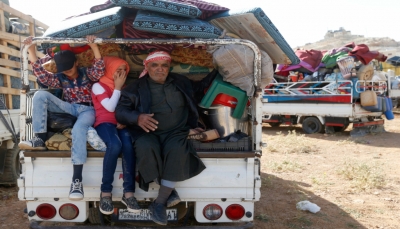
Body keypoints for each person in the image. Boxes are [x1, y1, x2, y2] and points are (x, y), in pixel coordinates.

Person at [115, 51, 217, 225]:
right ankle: (168, 189)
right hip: (148, 132)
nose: (160, 69)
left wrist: (219, 70)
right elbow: (120, 112)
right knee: (146, 148)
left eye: (164, 65)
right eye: (155, 65)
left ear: (169, 67)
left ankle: (159, 203)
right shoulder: (135, 88)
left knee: (178, 150)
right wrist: (137, 118)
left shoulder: (180, 82)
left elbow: (200, 87)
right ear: (147, 67)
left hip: (177, 131)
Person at [18, 35, 105, 201]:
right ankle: (39, 139)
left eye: (69, 67)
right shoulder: (60, 77)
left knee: (79, 129)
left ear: (76, 63)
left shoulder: (87, 74)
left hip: (87, 110)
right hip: (69, 108)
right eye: (63, 68)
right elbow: (42, 76)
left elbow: (99, 68)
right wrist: (31, 49)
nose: (67, 71)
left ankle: (77, 180)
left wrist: (93, 46)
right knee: (40, 96)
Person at [91, 56, 140, 214]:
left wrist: (126, 121)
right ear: (109, 69)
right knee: (115, 145)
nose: (120, 73)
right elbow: (110, 108)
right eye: (117, 70)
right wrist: (118, 88)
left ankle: (129, 194)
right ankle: (106, 193)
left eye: (123, 71)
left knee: (128, 145)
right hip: (104, 123)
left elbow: (129, 109)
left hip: (120, 123)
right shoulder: (98, 86)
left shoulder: (125, 88)